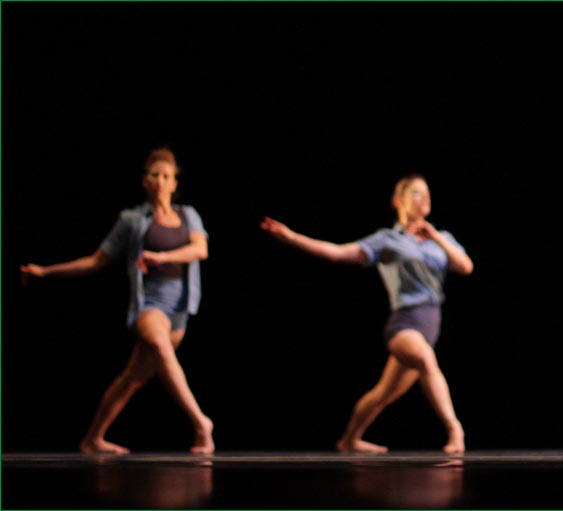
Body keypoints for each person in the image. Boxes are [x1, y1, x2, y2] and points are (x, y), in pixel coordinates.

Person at [21, 147, 214, 454]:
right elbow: (95, 261)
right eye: (154, 175)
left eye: (166, 176)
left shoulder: (188, 216)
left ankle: (92, 438)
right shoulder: (132, 220)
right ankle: (201, 423)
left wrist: (161, 257)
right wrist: (46, 271)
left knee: (133, 377)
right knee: (160, 345)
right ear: (145, 181)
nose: (160, 181)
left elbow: (200, 250)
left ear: (174, 183)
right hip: (149, 304)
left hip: (181, 307)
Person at [260, 174, 473, 453]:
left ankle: (349, 440)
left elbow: (465, 266)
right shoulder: (388, 239)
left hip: (431, 323)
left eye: (427, 193)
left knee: (384, 393)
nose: (425, 198)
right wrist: (292, 238)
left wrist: (434, 237)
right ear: (399, 201)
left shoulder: (442, 238)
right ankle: (455, 429)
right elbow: (338, 252)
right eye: (416, 193)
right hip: (405, 323)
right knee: (425, 359)